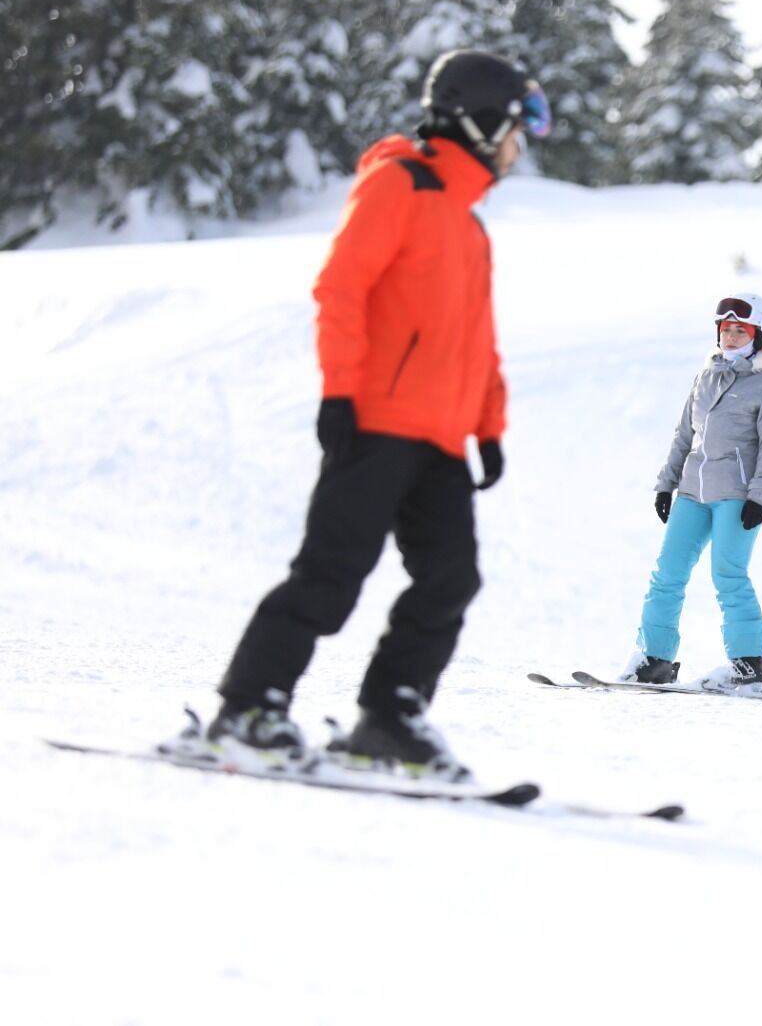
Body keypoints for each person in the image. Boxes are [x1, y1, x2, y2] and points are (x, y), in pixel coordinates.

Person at [185, 50, 552, 780]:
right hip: (377, 422)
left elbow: (477, 342)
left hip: (440, 440)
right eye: (520, 125)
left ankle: (388, 718)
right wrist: (340, 394)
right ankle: (248, 709)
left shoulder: (470, 227)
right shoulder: (400, 184)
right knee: (331, 573)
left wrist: (487, 425)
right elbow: (341, 289)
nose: (524, 144)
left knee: (451, 579)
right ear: (480, 121)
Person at [624, 293, 762, 693]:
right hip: (692, 493)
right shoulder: (706, 378)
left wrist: (760, 496)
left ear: (758, 335)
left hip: (737, 496)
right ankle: (654, 659)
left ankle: (749, 665)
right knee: (667, 574)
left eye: (740, 330)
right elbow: (685, 435)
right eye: (726, 329)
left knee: (728, 575)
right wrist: (666, 483)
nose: (731, 337)